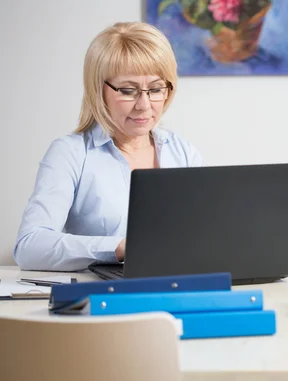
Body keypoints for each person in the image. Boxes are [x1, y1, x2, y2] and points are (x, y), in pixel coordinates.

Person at [14, 22, 202, 272]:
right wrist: (118, 248)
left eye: (156, 89)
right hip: (104, 296)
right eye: (128, 90)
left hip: (179, 288)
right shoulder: (71, 153)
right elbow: (29, 247)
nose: (144, 105)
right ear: (98, 90)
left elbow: (203, 235)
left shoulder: (183, 152)